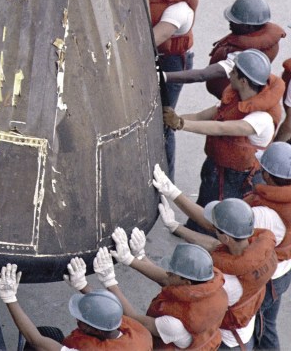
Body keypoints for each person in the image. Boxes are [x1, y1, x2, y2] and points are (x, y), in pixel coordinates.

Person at [155, 145, 291, 350]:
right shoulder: (257, 249)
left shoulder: (264, 216)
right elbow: (219, 242)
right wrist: (177, 227)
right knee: (265, 325)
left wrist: (173, 193)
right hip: (277, 276)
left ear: (269, 177)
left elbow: (212, 226)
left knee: (266, 332)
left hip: (231, 338)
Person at [164, 49, 284, 212]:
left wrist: (180, 124)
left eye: (233, 72)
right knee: (203, 207)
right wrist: (169, 119)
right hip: (216, 167)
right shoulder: (235, 97)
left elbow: (221, 127)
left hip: (237, 180)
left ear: (243, 81)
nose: (230, 75)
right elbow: (201, 116)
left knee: (222, 217)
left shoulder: (261, 119)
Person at [85, 229, 227, 350]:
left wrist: (109, 280)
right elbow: (167, 280)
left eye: (172, 272)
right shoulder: (210, 287)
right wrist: (136, 257)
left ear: (187, 282)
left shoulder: (174, 325)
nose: (167, 272)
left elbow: (134, 320)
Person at [0, 262, 151, 350]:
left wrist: (9, 298)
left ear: (97, 330)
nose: (77, 320)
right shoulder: (137, 333)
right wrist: (82, 285)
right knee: (52, 334)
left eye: (82, 320)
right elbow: (106, 309)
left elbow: (36, 340)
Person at [146, 0, 203, 177]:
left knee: (164, 119)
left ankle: (167, 178)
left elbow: (154, 38)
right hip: (160, 55)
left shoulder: (179, 9)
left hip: (172, 62)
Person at [204, 0, 286, 99]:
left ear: (248, 26)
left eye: (235, 21)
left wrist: (177, 76)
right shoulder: (268, 43)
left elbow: (203, 74)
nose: (230, 22)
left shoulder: (242, 55)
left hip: (234, 99)